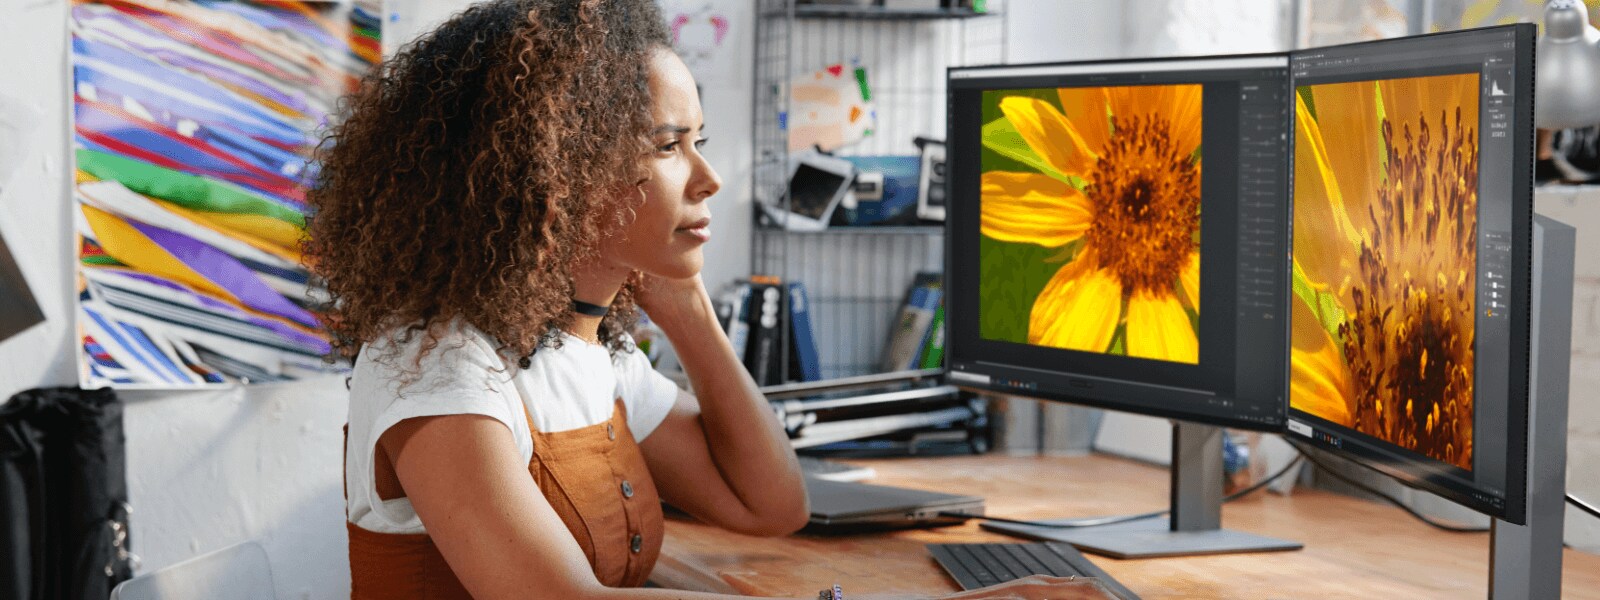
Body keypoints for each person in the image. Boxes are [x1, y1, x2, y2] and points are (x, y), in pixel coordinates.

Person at [307, 1, 1109, 598]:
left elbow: (772, 506)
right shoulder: (438, 362)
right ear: (558, 171)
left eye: (700, 141)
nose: (707, 177)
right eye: (668, 145)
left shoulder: (583, 352)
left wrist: (688, 311)